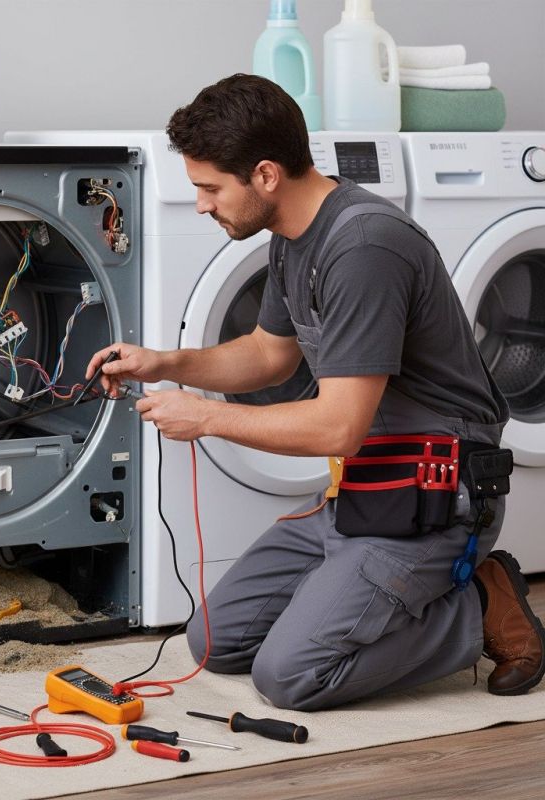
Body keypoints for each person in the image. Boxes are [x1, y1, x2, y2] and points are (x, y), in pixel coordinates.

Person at [85, 74, 545, 710]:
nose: (199, 204)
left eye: (210, 187)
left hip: (432, 496)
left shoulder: (363, 246)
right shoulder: (293, 236)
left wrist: (206, 418)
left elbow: (337, 428)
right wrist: (164, 363)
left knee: (289, 676)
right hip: (363, 492)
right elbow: (270, 355)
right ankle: (354, 598)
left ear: (266, 175)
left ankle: (478, 604)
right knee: (215, 642)